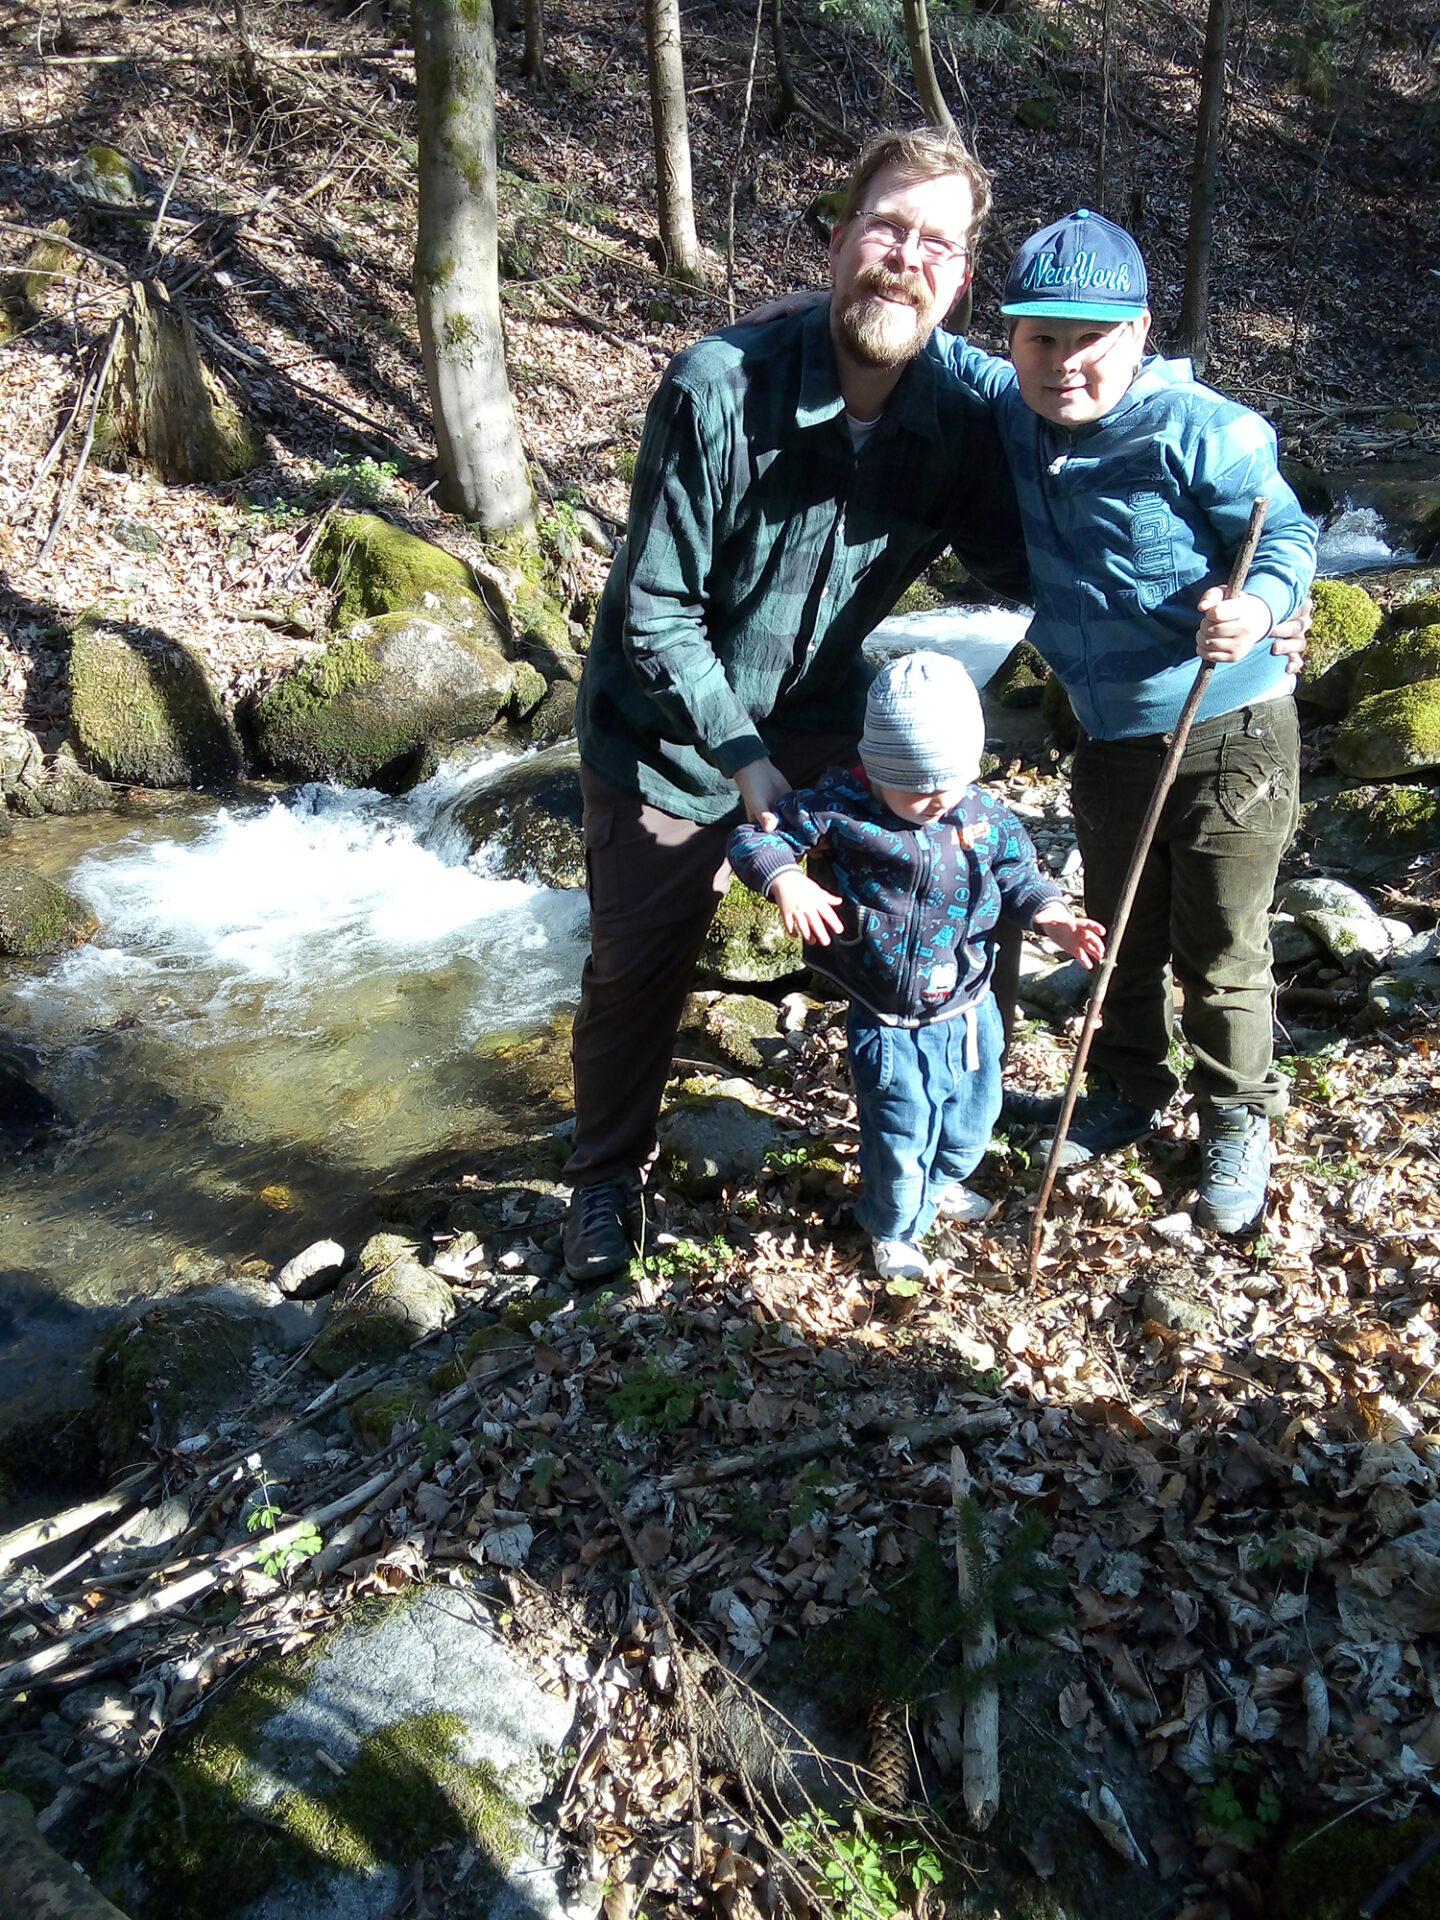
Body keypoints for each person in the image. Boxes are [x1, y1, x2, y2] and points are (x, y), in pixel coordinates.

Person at [561, 127, 1034, 1282]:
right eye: (885, 228)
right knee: (635, 968)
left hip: (825, 712)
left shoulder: (962, 408)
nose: (904, 258)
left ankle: (945, 1133)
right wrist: (746, 770)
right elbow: (657, 610)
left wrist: (1234, 580)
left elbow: (1037, 537)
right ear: (838, 243)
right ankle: (604, 1182)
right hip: (662, 735)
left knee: (964, 878)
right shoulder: (720, 385)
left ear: (960, 281)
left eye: (936, 244)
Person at [927, 208, 1318, 1234]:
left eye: (1087, 339)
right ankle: (1129, 1090)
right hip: (1105, 735)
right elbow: (917, 334)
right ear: (1010, 338)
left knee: (1223, 945)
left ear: (1138, 332)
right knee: (1118, 932)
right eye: (1039, 338)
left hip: (1230, 730)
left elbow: (1286, 538)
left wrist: (1260, 609)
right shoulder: (1010, 407)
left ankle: (1236, 1117)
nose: (1062, 364)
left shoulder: (1209, 430)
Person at [726, 652, 1104, 1280]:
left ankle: (946, 1180)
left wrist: (1053, 918)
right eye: (914, 785)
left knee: (972, 1112)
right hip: (887, 1014)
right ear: (874, 765)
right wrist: (785, 879)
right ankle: (894, 1227)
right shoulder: (839, 805)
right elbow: (754, 838)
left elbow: (1018, 875)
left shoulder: (982, 816)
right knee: (900, 1125)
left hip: (970, 1001)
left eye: (948, 784)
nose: (934, 800)